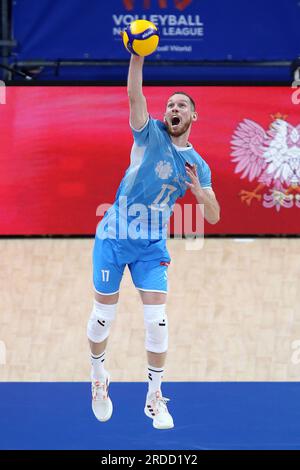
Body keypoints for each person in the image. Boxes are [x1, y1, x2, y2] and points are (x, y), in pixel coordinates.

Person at [87, 55, 220, 430]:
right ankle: (98, 377)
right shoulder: (149, 133)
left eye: (182, 105)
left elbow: (213, 216)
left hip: (150, 246)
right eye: (170, 104)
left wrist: (199, 192)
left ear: (193, 117)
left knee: (158, 322)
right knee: (102, 319)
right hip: (114, 236)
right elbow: (134, 95)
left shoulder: (197, 164)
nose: (173, 108)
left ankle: (154, 397)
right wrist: (138, 56)